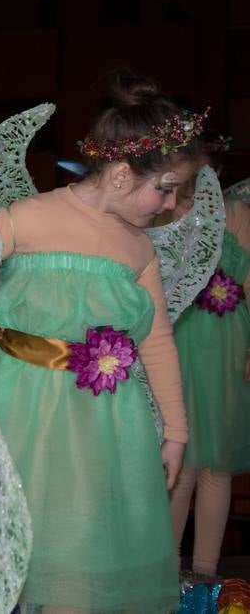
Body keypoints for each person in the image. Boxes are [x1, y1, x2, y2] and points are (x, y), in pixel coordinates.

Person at [0, 71, 200, 612]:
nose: (170, 204)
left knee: (81, 546)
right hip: (15, 407)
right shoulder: (27, 218)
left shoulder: (139, 251)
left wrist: (176, 431)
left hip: (103, 427)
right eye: (165, 187)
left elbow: (156, 342)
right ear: (119, 174)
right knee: (5, 538)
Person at [167, 137, 250, 580]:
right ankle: (167, 567)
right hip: (178, 342)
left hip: (225, 347)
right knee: (181, 462)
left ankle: (204, 570)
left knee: (216, 464)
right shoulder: (162, 216)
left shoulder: (237, 215)